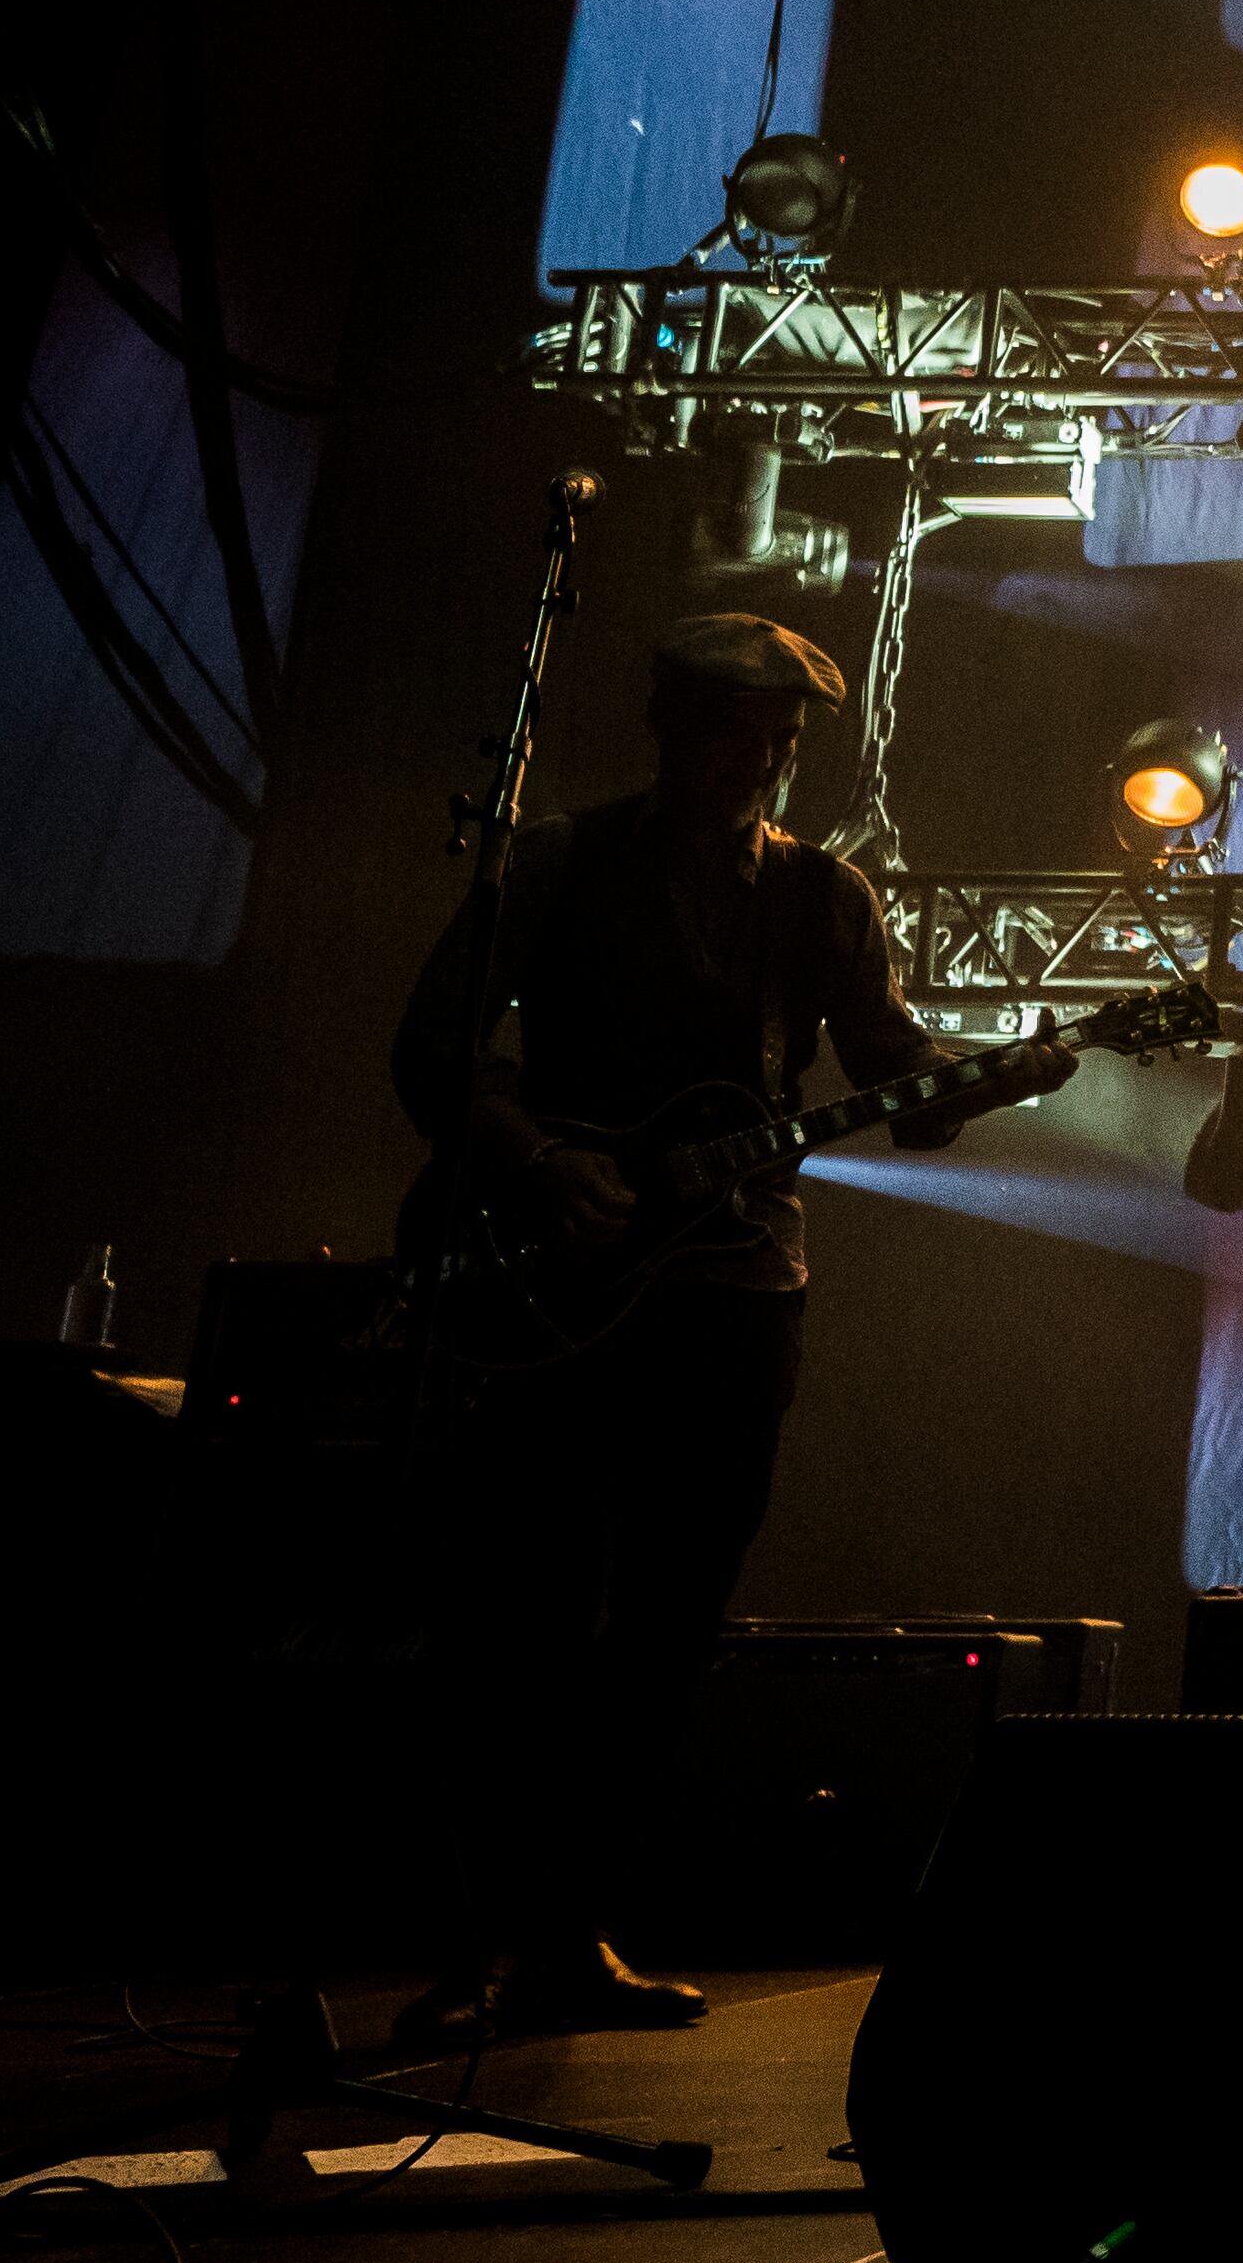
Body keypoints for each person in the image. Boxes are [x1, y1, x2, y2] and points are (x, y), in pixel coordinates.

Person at [383, 613, 1070, 2040]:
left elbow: (893, 1073)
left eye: (777, 743)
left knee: (667, 1628)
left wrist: (997, 1077)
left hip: (739, 1295)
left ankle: (570, 1935)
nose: (752, 765)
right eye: (727, 734)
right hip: (558, 1289)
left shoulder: (822, 896)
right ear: (667, 725)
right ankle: (476, 1938)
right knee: (525, 1613)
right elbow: (436, 1049)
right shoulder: (564, 862)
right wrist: (540, 1161)